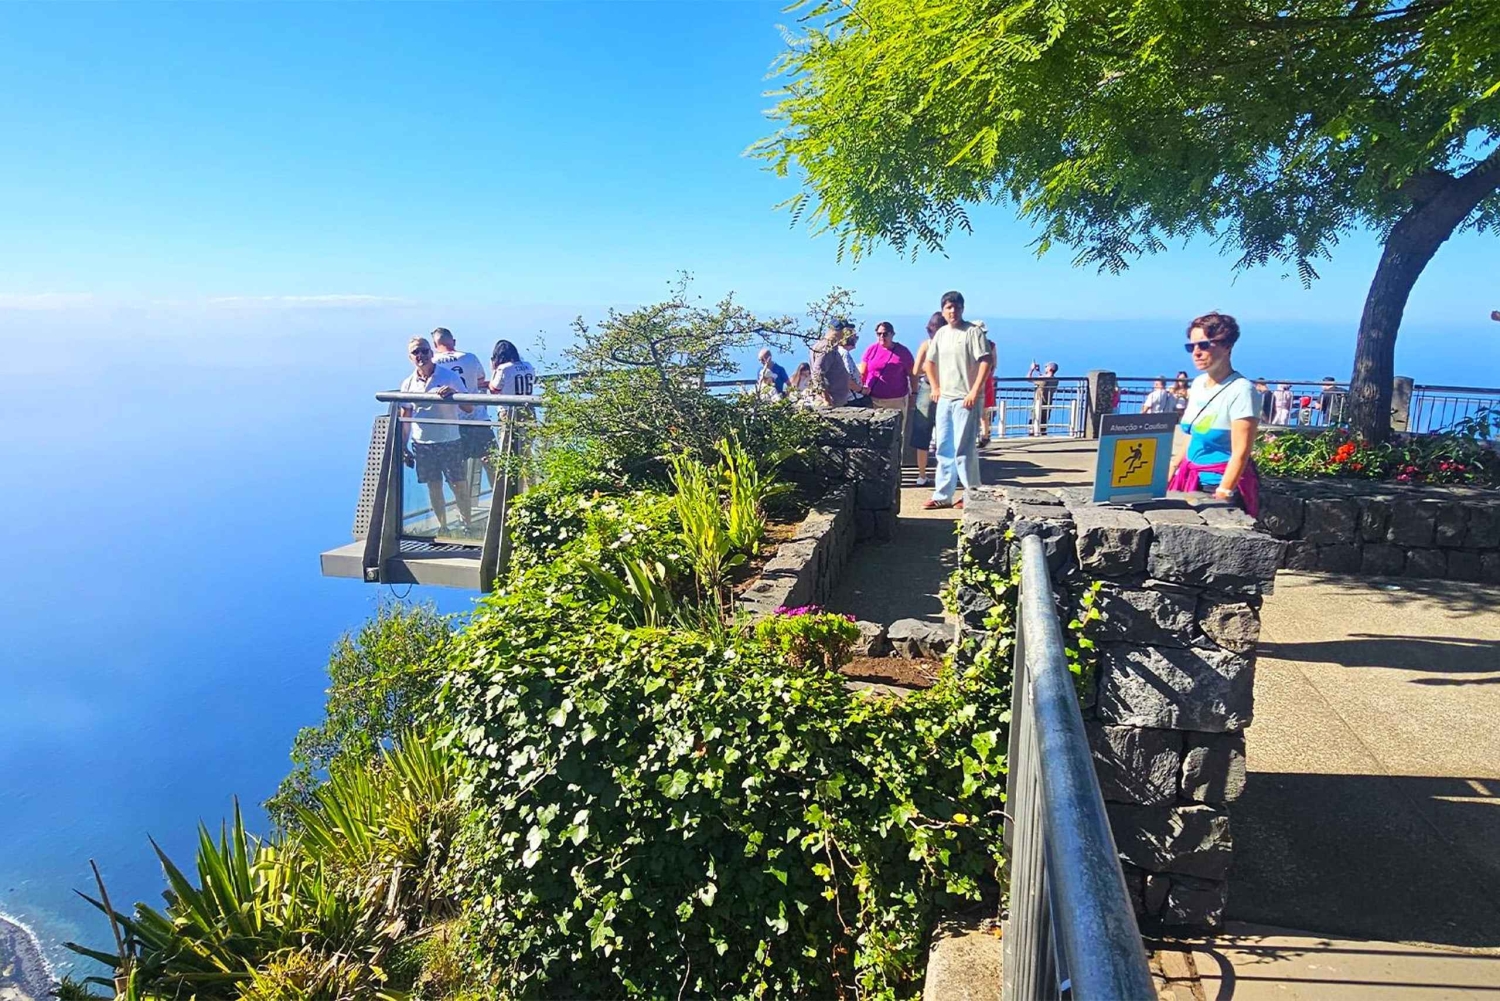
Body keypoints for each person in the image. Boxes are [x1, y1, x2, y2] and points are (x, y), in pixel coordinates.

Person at [1167, 312, 1260, 515]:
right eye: (1191, 347)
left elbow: (1241, 452)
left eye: (1204, 345)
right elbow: (1192, 435)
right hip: (1189, 479)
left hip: (1217, 484)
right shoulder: (1199, 384)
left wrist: (1224, 492)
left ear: (1227, 346)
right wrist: (1172, 469)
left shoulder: (1241, 390)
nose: (1196, 352)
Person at [923, 290, 993, 510]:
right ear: (943, 310)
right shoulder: (942, 334)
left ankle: (972, 493)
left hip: (966, 399)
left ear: (962, 309)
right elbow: (929, 362)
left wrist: (974, 391)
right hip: (946, 398)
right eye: (948, 307)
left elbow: (985, 362)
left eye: (956, 307)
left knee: (964, 449)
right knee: (943, 448)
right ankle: (942, 495)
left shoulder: (973, 332)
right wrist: (935, 386)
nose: (952, 311)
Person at [400, 336, 475, 535]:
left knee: (458, 485)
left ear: (431, 353)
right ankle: (443, 527)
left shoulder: (448, 376)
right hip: (422, 443)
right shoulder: (407, 384)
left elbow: (469, 407)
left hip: (449, 439)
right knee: (434, 488)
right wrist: (402, 446)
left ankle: (467, 525)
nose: (421, 355)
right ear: (410, 357)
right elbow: (405, 416)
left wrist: (453, 395)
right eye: (416, 352)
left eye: (424, 350)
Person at [431, 327, 493, 490]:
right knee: (491, 462)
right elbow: (480, 379)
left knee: (459, 470)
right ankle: (501, 500)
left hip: (453, 422)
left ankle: (465, 508)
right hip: (478, 416)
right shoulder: (470, 358)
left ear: (435, 345)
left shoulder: (434, 363)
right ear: (454, 341)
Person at [910, 312, 944, 486]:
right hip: (938, 389)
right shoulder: (933, 345)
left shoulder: (927, 344)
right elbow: (916, 371)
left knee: (926, 432)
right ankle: (930, 475)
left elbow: (916, 371)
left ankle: (923, 475)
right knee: (939, 433)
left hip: (931, 389)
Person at [860, 321, 917, 414]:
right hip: (873, 399)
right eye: (879, 334)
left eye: (885, 334)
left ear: (892, 334)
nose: (882, 336)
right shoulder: (871, 350)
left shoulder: (903, 352)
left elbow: (913, 374)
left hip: (896, 400)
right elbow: (863, 373)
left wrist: (914, 394)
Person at [809, 322, 852, 408]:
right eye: (846, 332)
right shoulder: (827, 348)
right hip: (832, 400)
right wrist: (827, 399)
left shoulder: (826, 345)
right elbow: (817, 373)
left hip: (835, 399)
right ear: (839, 331)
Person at [839, 326, 870, 406]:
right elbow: (847, 378)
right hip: (853, 398)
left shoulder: (836, 351)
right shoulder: (844, 354)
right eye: (855, 338)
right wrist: (861, 390)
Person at [1028, 361, 1059, 436]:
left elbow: (1028, 378)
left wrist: (1031, 369)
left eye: (1046, 366)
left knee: (1033, 424)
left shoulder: (1044, 379)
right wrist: (1039, 372)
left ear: (1050, 369)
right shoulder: (1056, 380)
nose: (1045, 367)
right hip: (1048, 405)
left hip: (1038, 404)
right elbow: (1044, 380)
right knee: (1043, 426)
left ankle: (1032, 438)